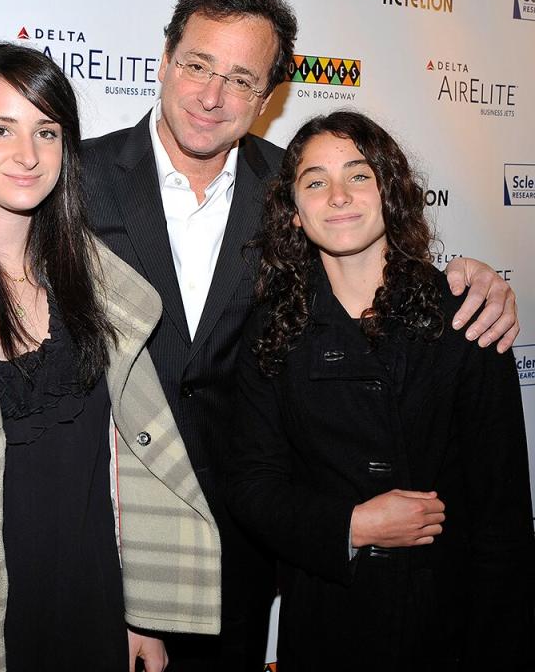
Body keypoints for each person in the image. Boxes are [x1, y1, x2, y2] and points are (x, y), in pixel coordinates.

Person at [81, 0, 521, 671]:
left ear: (268, 96)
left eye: (241, 79)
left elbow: (373, 267)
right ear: (164, 59)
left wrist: (470, 278)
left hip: (247, 547)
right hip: (103, 536)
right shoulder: (74, 178)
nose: (212, 96)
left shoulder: (295, 186)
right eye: (197, 65)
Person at [0, 43, 220, 672]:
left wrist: (144, 615)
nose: (27, 155)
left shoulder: (102, 282)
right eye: (1, 129)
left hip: (92, 601)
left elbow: (132, 462)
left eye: (46, 132)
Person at [226, 110, 534, 671]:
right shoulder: (271, 330)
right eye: (315, 181)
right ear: (294, 214)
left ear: (389, 190)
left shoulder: (466, 316)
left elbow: (503, 520)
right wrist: (352, 525)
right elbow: (252, 485)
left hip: (446, 626)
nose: (338, 195)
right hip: (326, 623)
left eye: (358, 174)